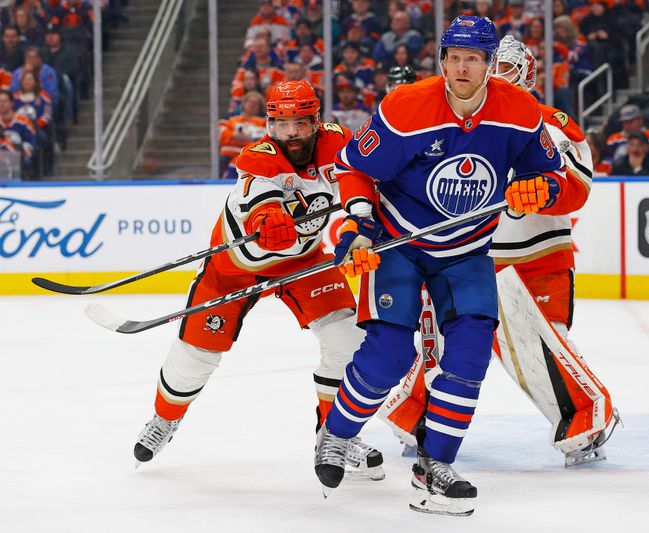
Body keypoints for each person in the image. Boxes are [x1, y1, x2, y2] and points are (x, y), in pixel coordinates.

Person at [315, 16, 567, 516]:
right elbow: (354, 170)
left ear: (490, 63)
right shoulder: (406, 107)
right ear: (443, 60)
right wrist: (358, 226)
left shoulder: (519, 110)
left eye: (473, 58)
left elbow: (549, 174)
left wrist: (540, 188)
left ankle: (436, 466)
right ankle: (335, 435)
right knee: (387, 355)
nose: (462, 67)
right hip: (398, 243)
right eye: (454, 57)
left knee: (470, 353)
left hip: (468, 248)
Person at [380, 34, 616, 469]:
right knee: (444, 345)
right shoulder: (452, 117)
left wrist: (544, 190)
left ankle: (586, 420)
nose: (499, 76)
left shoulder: (545, 121)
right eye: (496, 66)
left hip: (534, 259)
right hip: (464, 255)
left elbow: (577, 186)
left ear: (527, 74)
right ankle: (419, 420)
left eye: (508, 68)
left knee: (536, 342)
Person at [132, 80, 384, 480]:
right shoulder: (257, 158)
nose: (291, 134)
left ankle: (334, 435)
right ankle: (165, 419)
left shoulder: (336, 142)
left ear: (316, 121)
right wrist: (267, 220)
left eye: (300, 124)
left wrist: (361, 217)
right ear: (269, 124)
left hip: (303, 262)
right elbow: (259, 199)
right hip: (233, 269)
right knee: (194, 359)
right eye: (281, 125)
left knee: (347, 341)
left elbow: (359, 179)